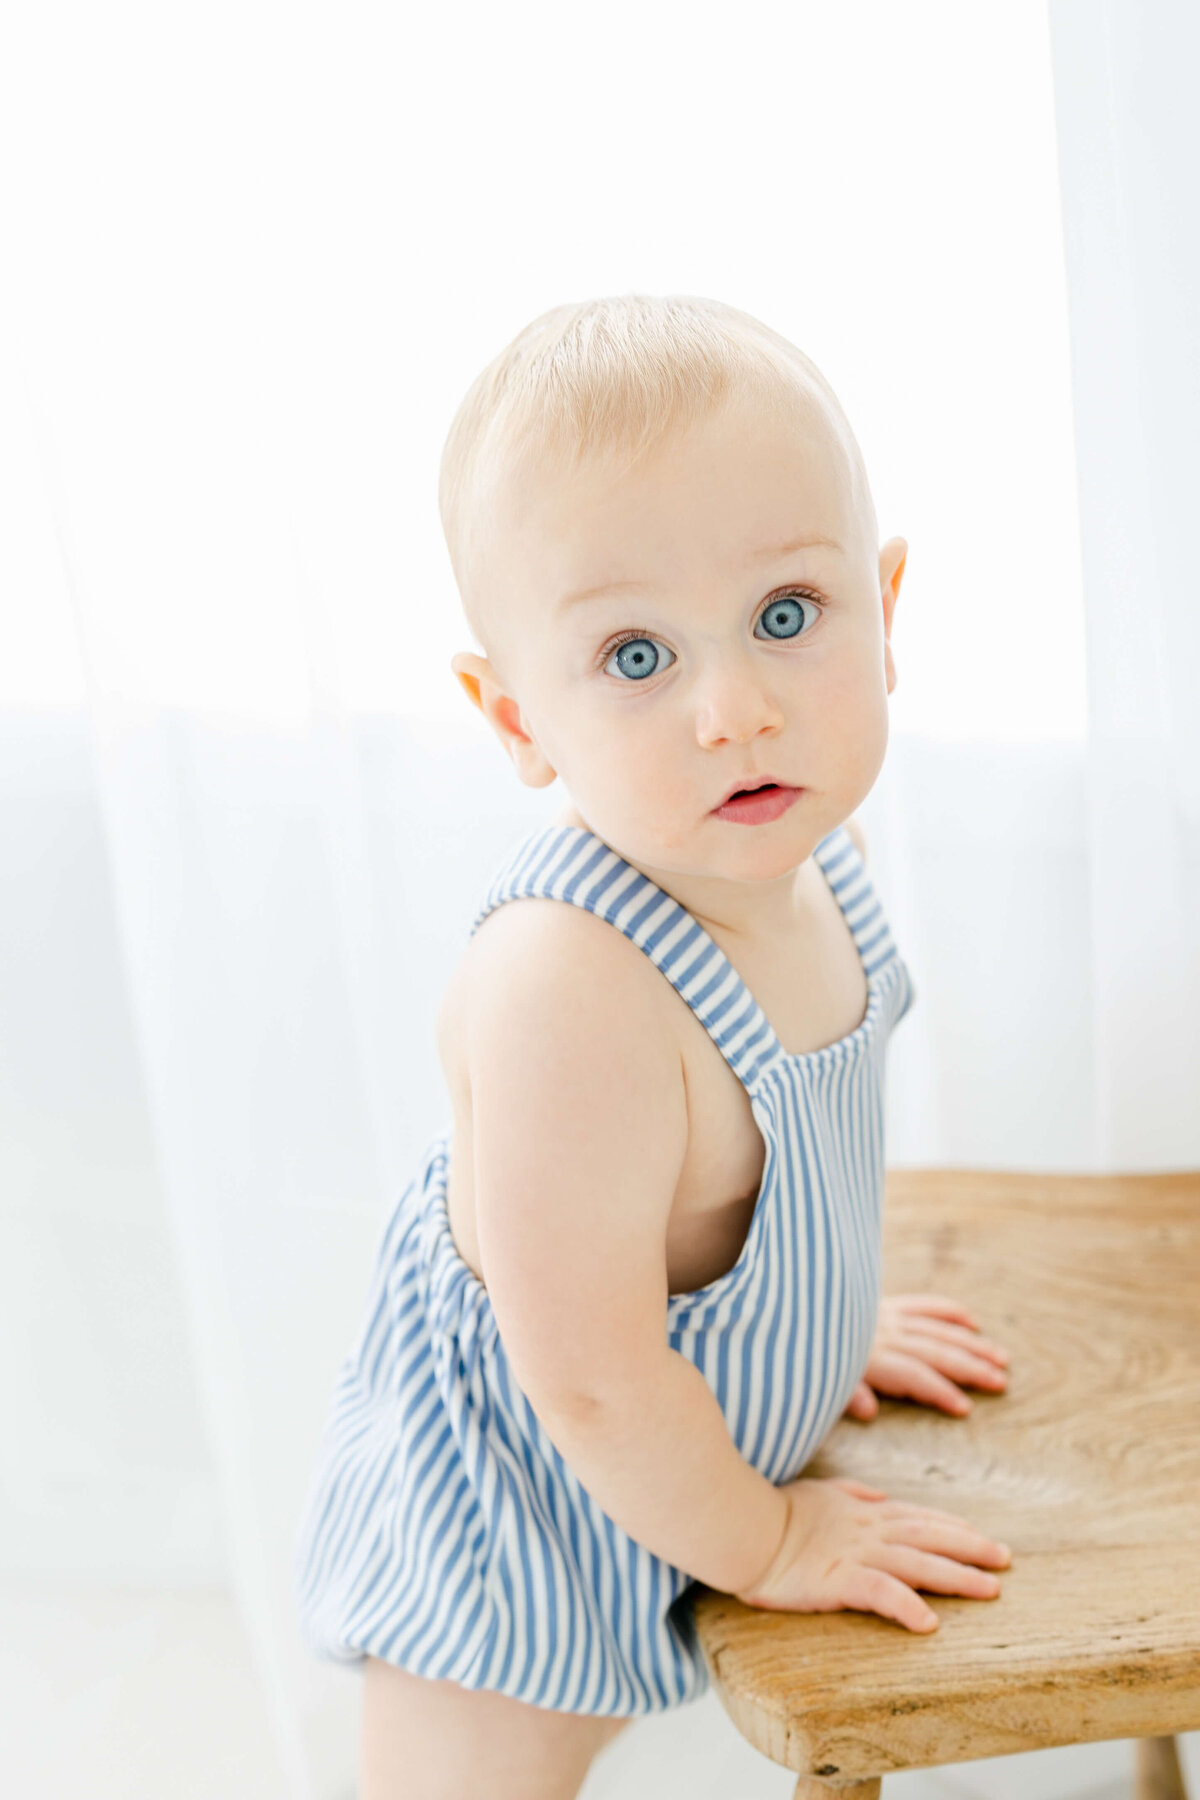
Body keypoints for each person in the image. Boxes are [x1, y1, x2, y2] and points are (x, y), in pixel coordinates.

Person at [293, 293, 1013, 1799]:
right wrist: (776, 1537)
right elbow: (596, 1379)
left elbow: (741, 1184)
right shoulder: (569, 985)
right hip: (519, 1520)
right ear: (515, 718)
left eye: (787, 616)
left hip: (676, 1423)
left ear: (886, 614)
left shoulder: (808, 848)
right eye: (634, 657)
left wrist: (804, 1322)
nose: (734, 711)